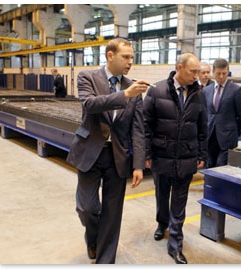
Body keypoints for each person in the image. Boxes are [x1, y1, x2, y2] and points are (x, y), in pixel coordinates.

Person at [66, 38, 150, 264]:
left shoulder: (133, 88)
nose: (130, 62)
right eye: (125, 57)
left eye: (132, 57)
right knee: (87, 208)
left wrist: (138, 165)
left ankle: (105, 262)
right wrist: (125, 95)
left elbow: (138, 130)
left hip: (118, 156)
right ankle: (93, 239)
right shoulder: (88, 77)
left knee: (112, 214)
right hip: (90, 152)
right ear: (110, 56)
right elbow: (90, 105)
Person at [143, 53, 208, 264]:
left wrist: (202, 154)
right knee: (162, 195)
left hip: (187, 156)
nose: (197, 76)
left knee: (179, 202)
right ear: (180, 68)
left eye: (198, 71)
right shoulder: (156, 90)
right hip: (162, 155)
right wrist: (146, 154)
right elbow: (145, 125)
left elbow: (203, 127)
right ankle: (162, 224)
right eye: (193, 71)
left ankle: (175, 245)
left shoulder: (199, 94)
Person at [203, 58, 241, 168]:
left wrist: (235, 133)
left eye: (224, 73)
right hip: (211, 135)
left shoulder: (236, 90)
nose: (221, 77)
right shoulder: (206, 91)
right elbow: (205, 113)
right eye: (218, 73)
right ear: (213, 72)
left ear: (228, 71)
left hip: (228, 137)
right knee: (210, 165)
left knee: (221, 166)